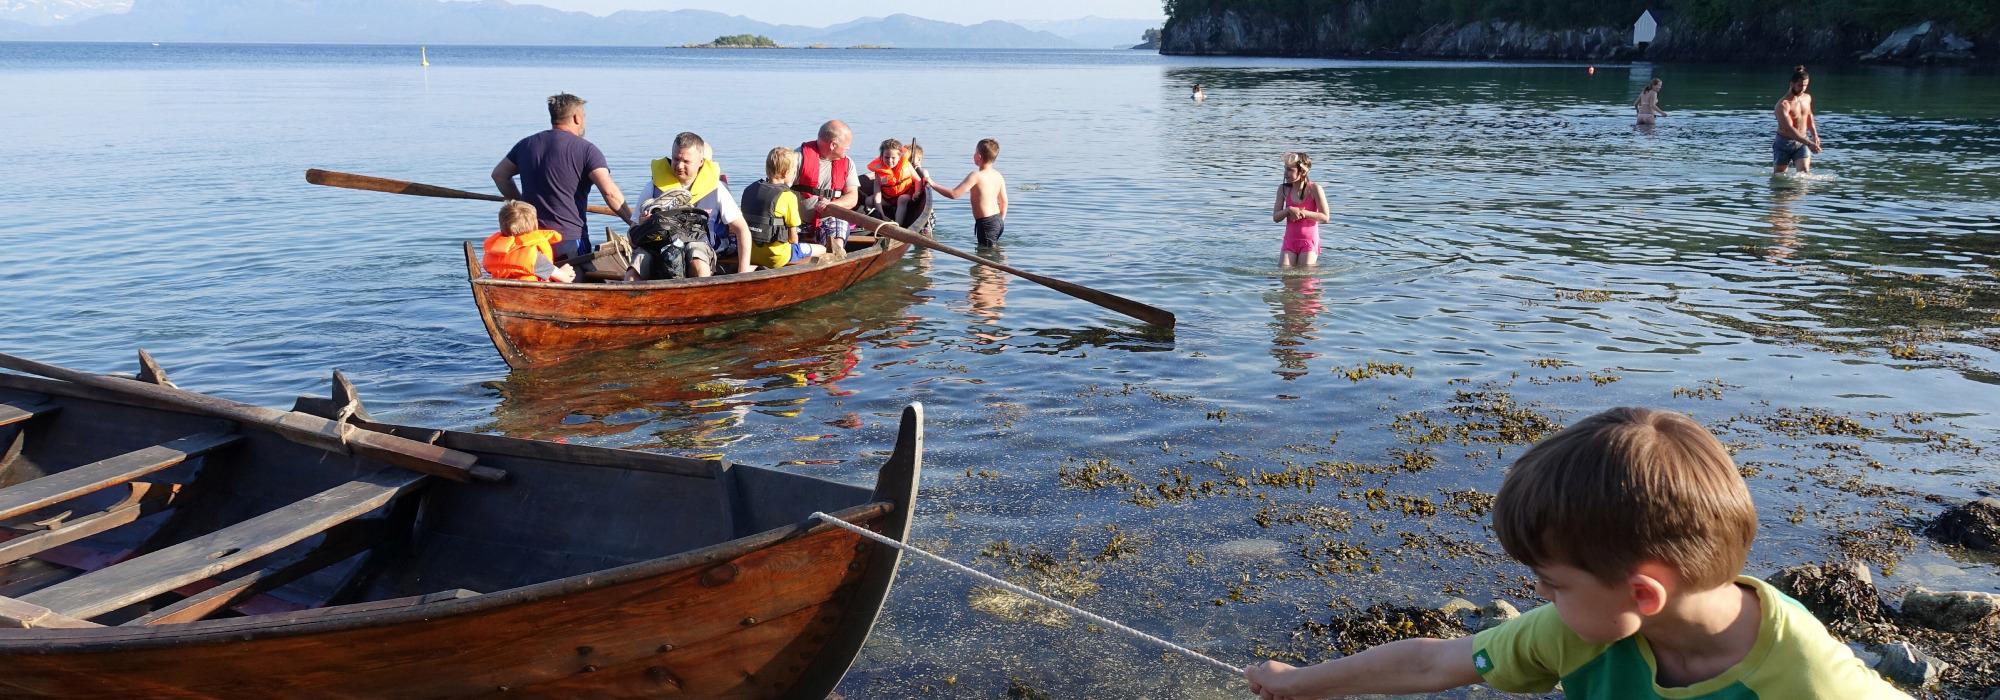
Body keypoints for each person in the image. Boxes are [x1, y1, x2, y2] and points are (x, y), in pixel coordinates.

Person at [1243, 407, 1908, 700]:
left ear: (1642, 594)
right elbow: (1431, 662)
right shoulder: (1583, 633)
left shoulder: (1809, 683)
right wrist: (1299, 683)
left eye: (1555, 584)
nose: (1541, 597)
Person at [491, 93, 632, 260]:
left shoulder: (526, 145)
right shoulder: (587, 150)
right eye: (584, 116)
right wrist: (634, 223)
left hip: (531, 239)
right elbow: (610, 193)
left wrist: (522, 205)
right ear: (576, 118)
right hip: (568, 240)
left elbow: (499, 175)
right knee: (573, 274)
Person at [641, 132, 751, 277]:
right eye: (676, 159)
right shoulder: (653, 186)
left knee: (697, 257)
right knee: (636, 266)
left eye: (686, 161)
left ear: (701, 162)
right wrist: (643, 224)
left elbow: (742, 230)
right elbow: (633, 231)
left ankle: (704, 289)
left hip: (700, 246)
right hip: (661, 247)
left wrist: (743, 273)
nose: (679, 166)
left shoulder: (717, 189)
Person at [741, 146, 826, 270]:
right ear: (786, 173)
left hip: (749, 253)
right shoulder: (788, 196)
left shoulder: (749, 190)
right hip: (776, 257)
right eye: (793, 171)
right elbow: (793, 238)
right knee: (822, 249)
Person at [794, 120, 861, 256]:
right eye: (846, 145)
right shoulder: (797, 158)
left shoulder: (848, 163)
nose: (848, 148)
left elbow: (852, 197)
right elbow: (778, 188)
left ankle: (836, 253)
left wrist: (831, 205)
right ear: (833, 145)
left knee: (840, 221)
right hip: (796, 221)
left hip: (827, 220)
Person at [930, 138, 1008, 248]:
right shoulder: (998, 175)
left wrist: (932, 183)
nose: (973, 155)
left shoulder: (976, 176)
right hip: (998, 221)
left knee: (985, 256)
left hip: (986, 224)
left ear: (979, 157)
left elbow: (954, 194)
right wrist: (1000, 221)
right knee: (993, 251)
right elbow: (1004, 203)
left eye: (975, 152)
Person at [481, 200, 575, 283]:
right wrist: (566, 271)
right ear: (535, 225)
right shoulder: (534, 258)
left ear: (502, 228)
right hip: (534, 294)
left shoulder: (492, 254)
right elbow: (565, 279)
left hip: (503, 293)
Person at [1273, 152, 1329, 268]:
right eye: (1285, 169)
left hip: (1308, 242)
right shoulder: (1283, 189)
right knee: (1284, 273)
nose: (1285, 173)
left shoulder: (1315, 189)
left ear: (1303, 172)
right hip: (1289, 241)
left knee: (1305, 276)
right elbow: (1276, 217)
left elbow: (1325, 217)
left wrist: (1302, 213)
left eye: (1290, 170)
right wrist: (1289, 210)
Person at [1774, 65, 1822, 175]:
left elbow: (1809, 116)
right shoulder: (1783, 105)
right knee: (1780, 176)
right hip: (1784, 143)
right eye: (1800, 85)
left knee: (1804, 173)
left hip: (1802, 142)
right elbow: (1789, 129)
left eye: (1805, 86)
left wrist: (1814, 135)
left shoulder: (1807, 98)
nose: (1803, 89)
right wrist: (1809, 143)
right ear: (1791, 84)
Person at [866, 138, 920, 223]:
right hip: (888, 200)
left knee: (902, 199)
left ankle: (897, 225)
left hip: (905, 197)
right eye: (886, 157)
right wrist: (882, 215)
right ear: (881, 157)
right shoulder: (879, 172)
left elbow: (918, 180)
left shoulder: (906, 165)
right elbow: (877, 195)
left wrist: (917, 192)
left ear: (899, 157)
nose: (890, 161)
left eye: (893, 158)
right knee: (869, 200)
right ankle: (878, 219)